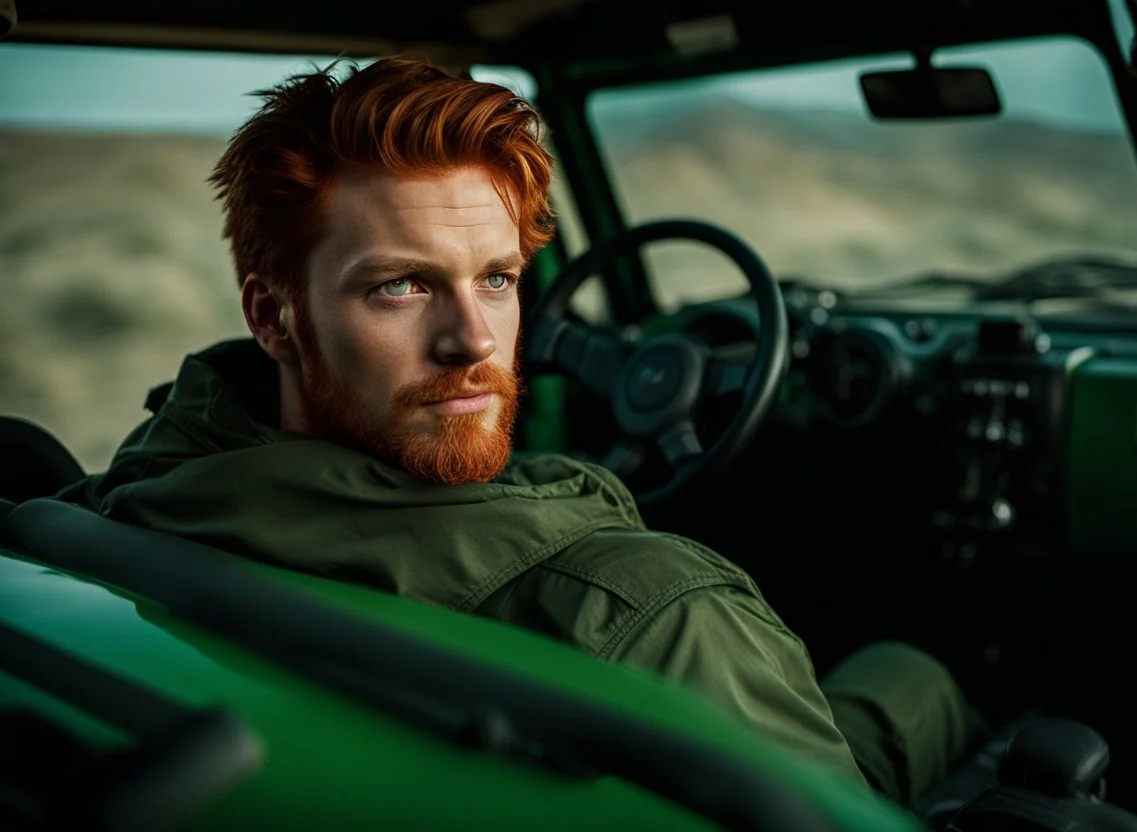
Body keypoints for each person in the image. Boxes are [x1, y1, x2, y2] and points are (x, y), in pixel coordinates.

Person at [56, 57, 978, 805]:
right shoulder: (653, 618)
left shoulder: (133, 495)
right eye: (402, 286)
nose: (471, 342)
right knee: (927, 671)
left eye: (496, 279)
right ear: (274, 317)